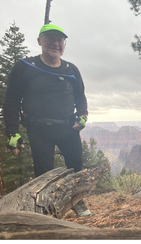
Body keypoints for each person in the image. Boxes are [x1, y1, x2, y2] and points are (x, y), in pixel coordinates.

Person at [3, 24, 90, 217]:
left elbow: (80, 97)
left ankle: (77, 202)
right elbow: (11, 101)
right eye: (50, 38)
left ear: (64, 44)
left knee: (75, 166)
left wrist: (83, 116)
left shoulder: (71, 69)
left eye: (60, 40)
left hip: (68, 127)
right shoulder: (25, 66)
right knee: (44, 174)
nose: (56, 43)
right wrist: (12, 132)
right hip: (38, 129)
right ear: (40, 41)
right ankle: (47, 210)